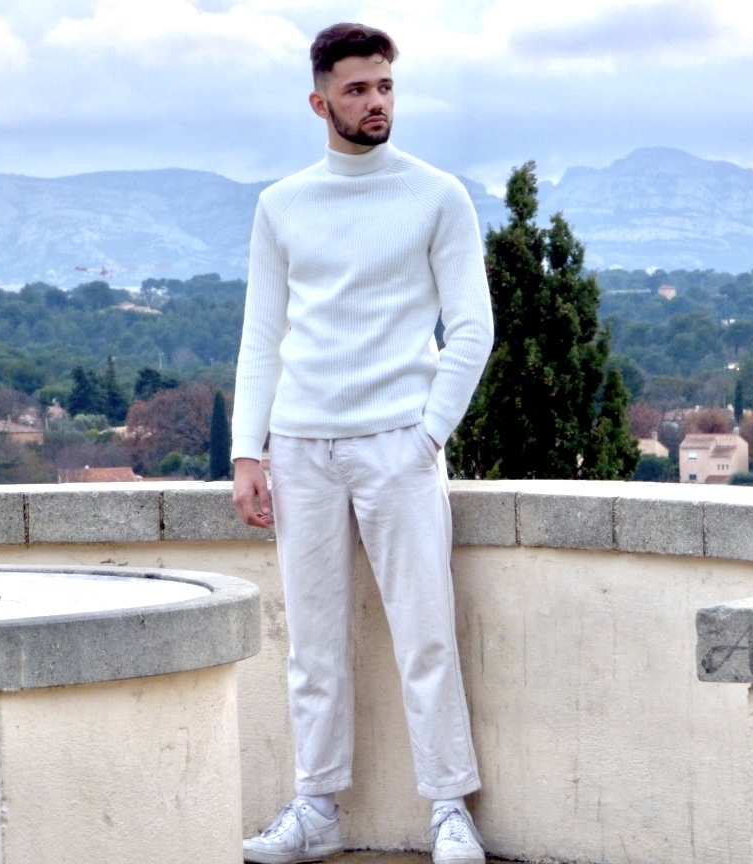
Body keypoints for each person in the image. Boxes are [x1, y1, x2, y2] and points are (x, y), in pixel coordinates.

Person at [230, 21, 494, 864]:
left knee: (426, 634)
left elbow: (473, 329)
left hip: (398, 447)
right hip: (301, 448)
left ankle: (449, 807)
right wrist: (247, 451)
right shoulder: (281, 205)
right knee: (312, 646)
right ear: (320, 103)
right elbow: (261, 336)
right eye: (356, 89)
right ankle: (316, 809)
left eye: (384, 86)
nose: (375, 102)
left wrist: (427, 436)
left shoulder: (438, 196)